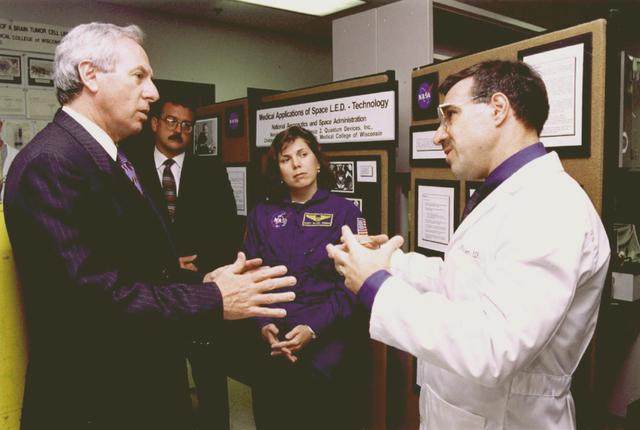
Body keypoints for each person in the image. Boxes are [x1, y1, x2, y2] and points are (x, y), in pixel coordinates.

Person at [2, 22, 296, 430]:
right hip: (95, 404)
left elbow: (133, 268)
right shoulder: (53, 163)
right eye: (139, 75)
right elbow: (92, 302)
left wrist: (205, 280)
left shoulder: (102, 157)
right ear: (90, 75)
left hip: (135, 393)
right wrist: (213, 300)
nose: (153, 92)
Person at [327, 60, 611, 429]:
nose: (438, 135)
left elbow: (493, 348)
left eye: (450, 115)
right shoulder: (508, 194)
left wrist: (376, 286)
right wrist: (390, 263)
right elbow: (466, 280)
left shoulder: (549, 206)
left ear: (498, 108)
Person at [128, 94, 242, 429]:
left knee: (210, 380)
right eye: (171, 121)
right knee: (162, 380)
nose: (179, 130)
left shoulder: (210, 170)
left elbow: (227, 227)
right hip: (153, 291)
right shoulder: (129, 168)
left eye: (187, 125)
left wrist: (202, 265)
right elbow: (124, 230)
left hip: (201, 288)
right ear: (155, 124)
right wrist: (167, 261)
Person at [245, 126, 368, 430]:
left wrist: (313, 328)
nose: (296, 164)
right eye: (286, 159)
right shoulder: (262, 214)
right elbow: (250, 275)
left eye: (303, 155)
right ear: (278, 169)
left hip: (327, 346)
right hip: (274, 345)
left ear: (317, 161)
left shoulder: (347, 214)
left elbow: (354, 284)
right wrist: (263, 326)